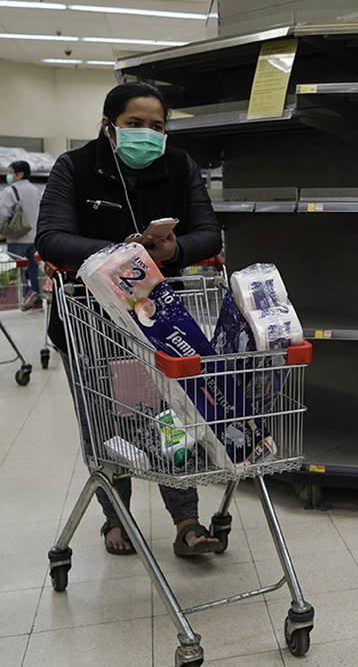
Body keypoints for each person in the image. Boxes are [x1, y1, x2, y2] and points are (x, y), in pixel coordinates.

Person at [36, 82, 224, 557]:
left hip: (160, 319)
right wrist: (124, 254)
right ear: (108, 125)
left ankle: (186, 520)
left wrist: (176, 249)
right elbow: (53, 237)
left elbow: (208, 233)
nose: (147, 134)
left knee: (171, 415)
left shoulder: (179, 167)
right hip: (90, 320)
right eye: (134, 125)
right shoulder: (75, 168)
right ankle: (114, 519)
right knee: (107, 421)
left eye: (157, 126)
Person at [0, 160, 43, 308]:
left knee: (17, 269)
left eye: (11, 172)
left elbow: (3, 213)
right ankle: (36, 301)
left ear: (20, 174)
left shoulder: (10, 191)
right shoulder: (37, 190)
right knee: (33, 269)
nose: (8, 176)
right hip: (35, 236)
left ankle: (26, 292)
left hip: (17, 237)